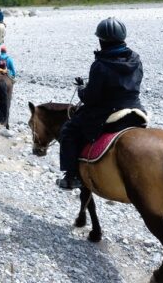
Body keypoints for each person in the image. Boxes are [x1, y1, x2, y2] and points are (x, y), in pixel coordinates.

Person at [57, 17, 145, 189]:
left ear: (101, 40)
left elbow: (91, 97)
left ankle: (71, 176)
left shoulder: (100, 64)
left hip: (108, 112)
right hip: (135, 108)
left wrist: (82, 89)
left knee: (68, 130)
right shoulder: (136, 59)